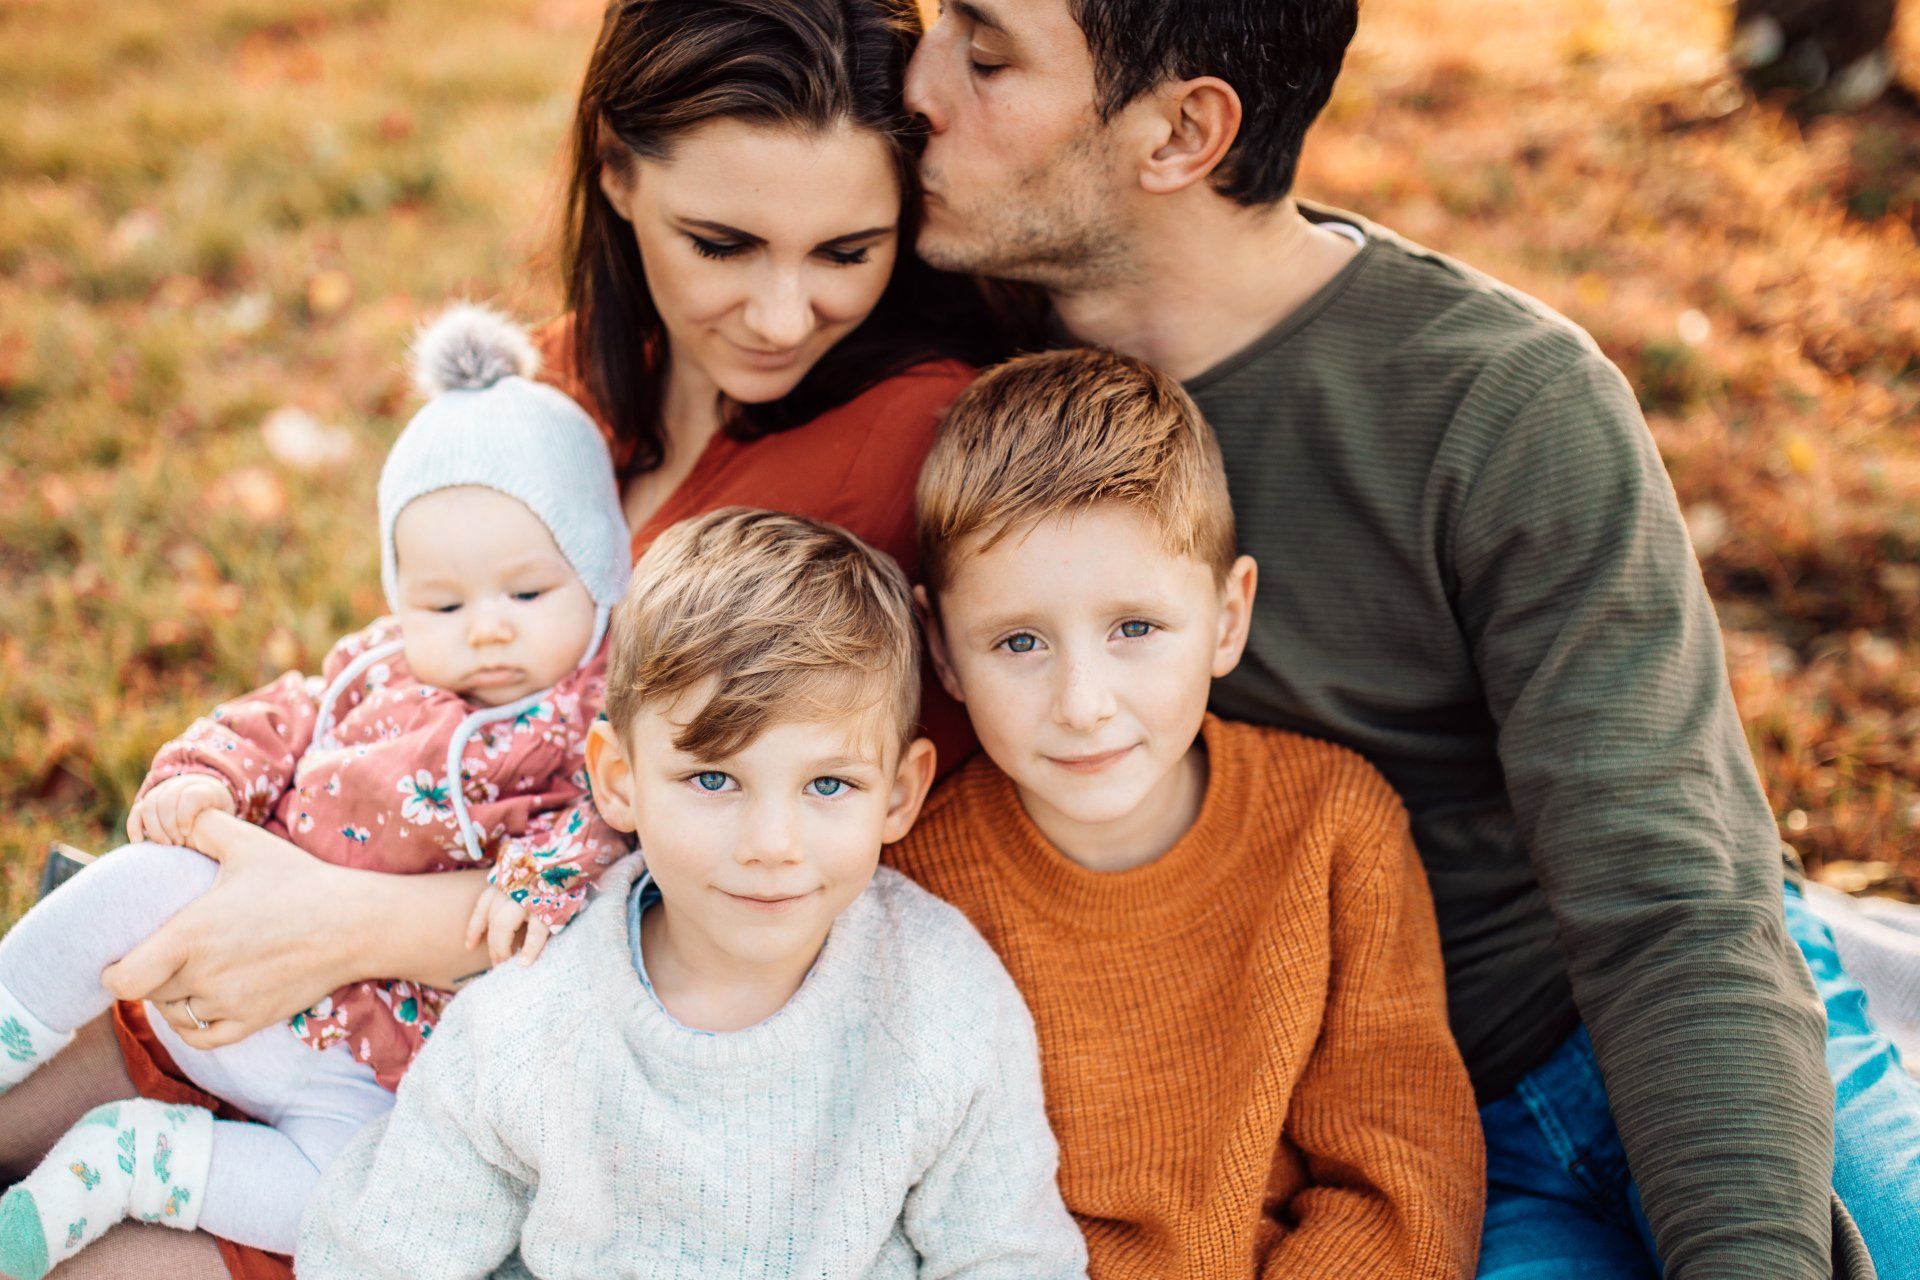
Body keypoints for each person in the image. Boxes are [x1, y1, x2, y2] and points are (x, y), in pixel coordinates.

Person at [899, 2, 1918, 1277]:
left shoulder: (1503, 405)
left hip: (1667, 1003)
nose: (919, 83)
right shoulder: (965, 370)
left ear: (1182, 131)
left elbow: (1674, 904)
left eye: (986, 57)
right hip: (1420, 1112)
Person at [0, 4, 999, 1274]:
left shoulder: (903, 451)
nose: (783, 311)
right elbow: (414, 680)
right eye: (721, 243)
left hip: (517, 1084)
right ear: (618, 174)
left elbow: (757, 865)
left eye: (847, 250)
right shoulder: (569, 382)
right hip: (295, 964)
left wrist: (343, 918)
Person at [0, 305, 631, 1278]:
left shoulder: (590, 730)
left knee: (353, 1198)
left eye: (529, 592)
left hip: (373, 1066)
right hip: (226, 960)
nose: (489, 629)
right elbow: (278, 716)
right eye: (446, 602)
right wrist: (206, 772)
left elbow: (593, 840)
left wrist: (529, 886)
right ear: (400, 595)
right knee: (141, 881)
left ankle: (131, 1166)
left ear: (598, 576)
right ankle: (11, 1019)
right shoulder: (374, 670)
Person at [298, 507, 1088, 1279]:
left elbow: (1007, 1253)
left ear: (897, 794)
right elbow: (384, 1253)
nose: (771, 845)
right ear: (619, 780)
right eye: (714, 778)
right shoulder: (532, 1022)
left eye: (828, 784)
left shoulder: (940, 1002)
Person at [888, 349, 1484, 1277]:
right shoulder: (910, 880)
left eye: (1135, 629)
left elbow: (1402, 1172)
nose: (1082, 701)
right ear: (944, 651)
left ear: (1227, 617)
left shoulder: (1334, 826)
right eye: (1018, 641)